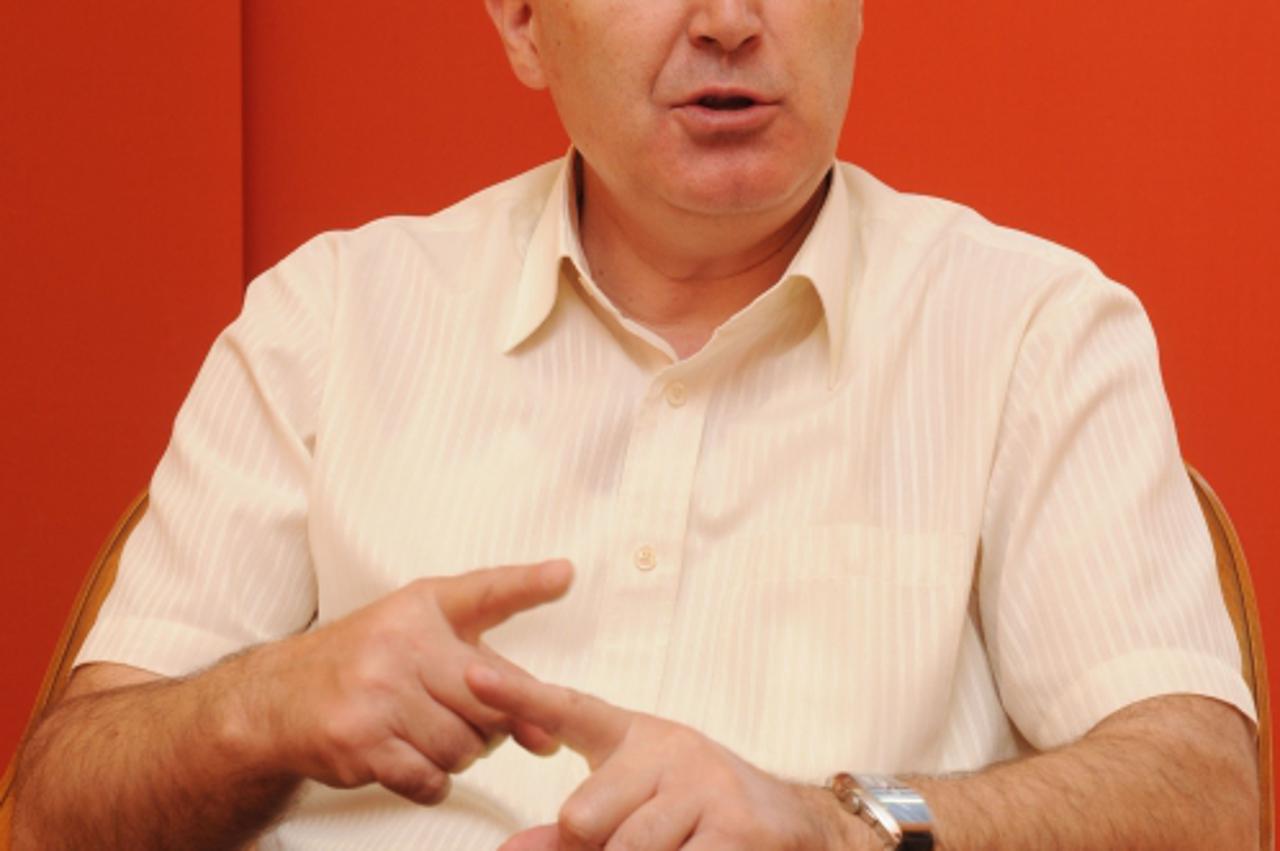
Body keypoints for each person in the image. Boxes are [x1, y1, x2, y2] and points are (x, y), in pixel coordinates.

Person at [11, 1, 1259, 848]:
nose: (727, 20)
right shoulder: (326, 320)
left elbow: (1202, 795)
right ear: (520, 21)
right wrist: (261, 703)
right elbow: (55, 807)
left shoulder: (1033, 328)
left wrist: (829, 825)